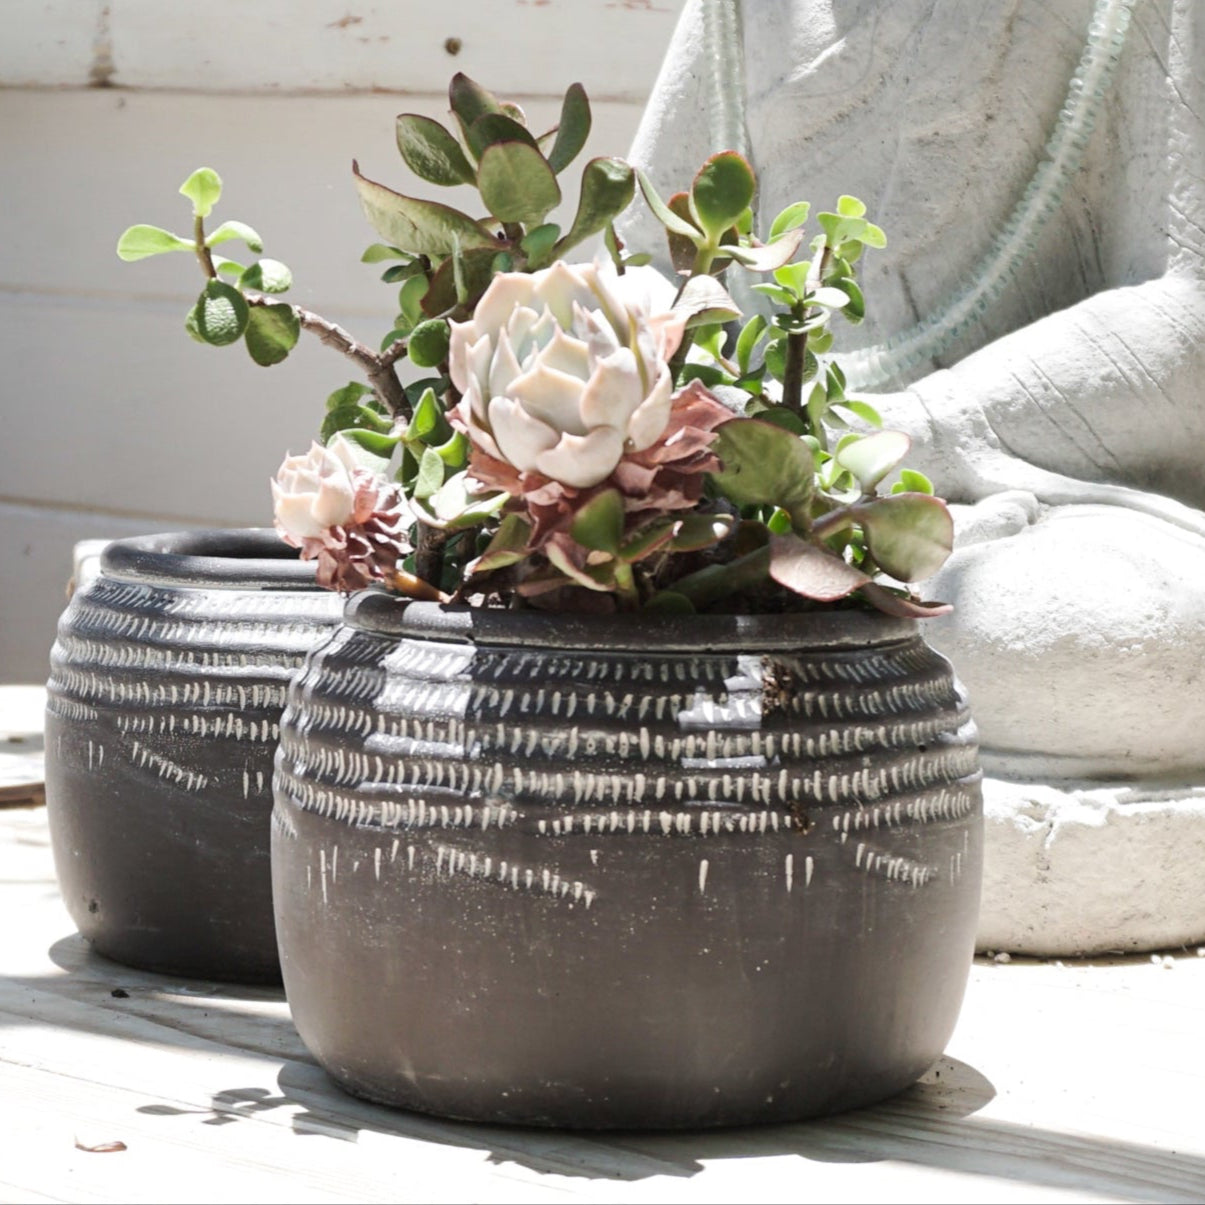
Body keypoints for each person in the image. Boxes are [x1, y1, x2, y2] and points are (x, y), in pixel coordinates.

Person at [622, 0, 1205, 779]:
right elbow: (656, 260)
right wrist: (617, 392)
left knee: (1089, 638)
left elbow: (1187, 319)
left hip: (1038, 500)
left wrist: (912, 432)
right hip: (734, 478)